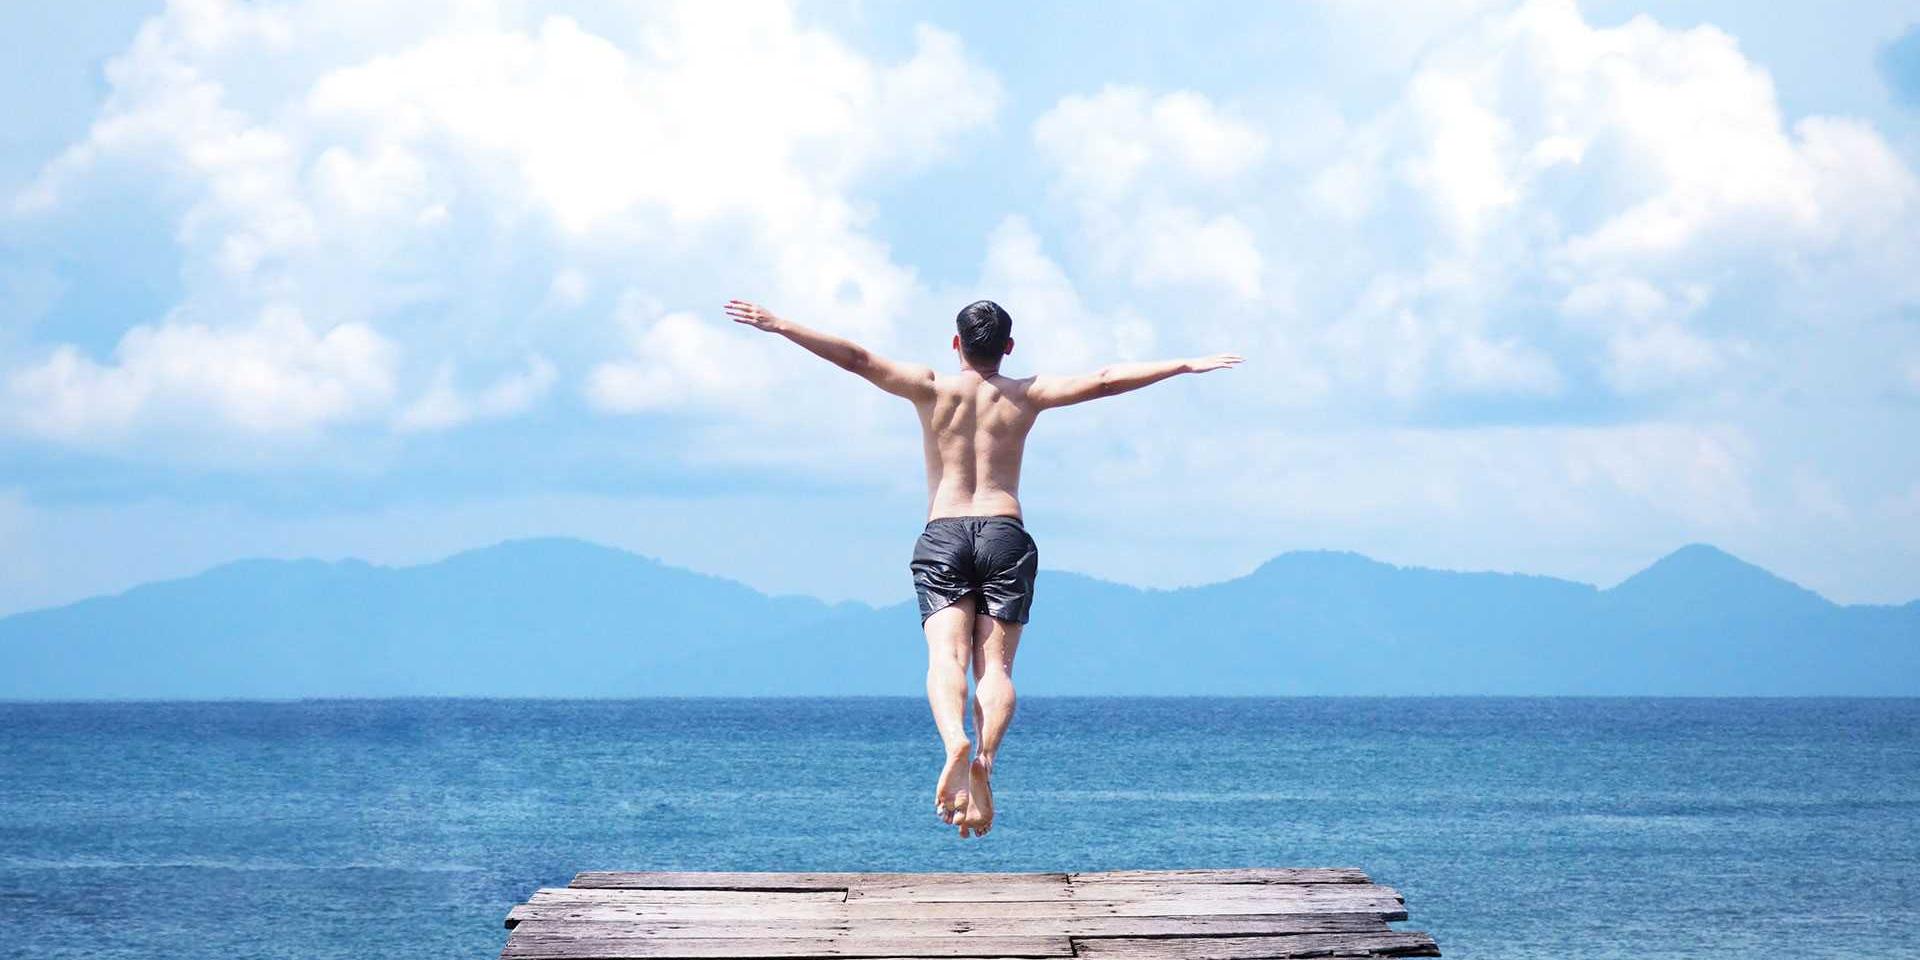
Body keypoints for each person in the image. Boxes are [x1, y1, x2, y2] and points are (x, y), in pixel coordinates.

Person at [724, 297, 1242, 838]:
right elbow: (1108, 379)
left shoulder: (930, 388)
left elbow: (855, 358)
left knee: (945, 655)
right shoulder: (1025, 393)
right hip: (1002, 531)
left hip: (945, 532)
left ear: (956, 344)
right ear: (1009, 348)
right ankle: (985, 760)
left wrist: (781, 324)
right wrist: (1182, 365)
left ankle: (955, 741)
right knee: (994, 670)